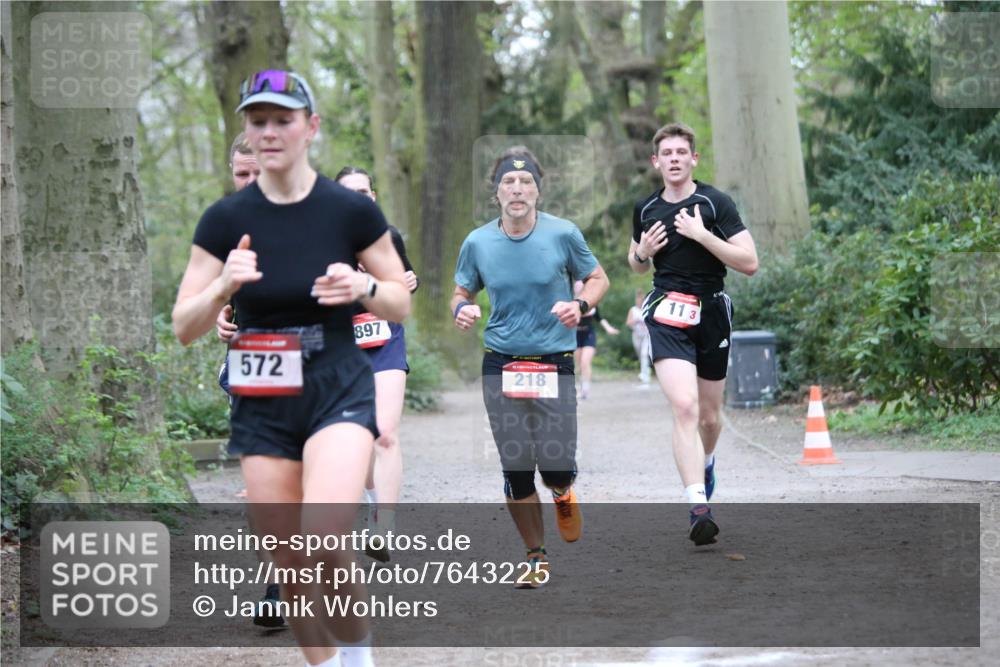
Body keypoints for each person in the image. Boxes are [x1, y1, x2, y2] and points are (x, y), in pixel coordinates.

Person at [173, 69, 410, 667]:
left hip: (336, 389)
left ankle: (359, 659)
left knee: (325, 539)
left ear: (311, 127)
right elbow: (184, 325)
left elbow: (399, 300)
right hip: (264, 398)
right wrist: (224, 285)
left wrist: (361, 284)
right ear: (247, 134)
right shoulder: (224, 220)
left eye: (283, 119)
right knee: (288, 557)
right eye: (258, 122)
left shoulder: (349, 211)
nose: (270, 132)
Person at [220, 166, 419, 565]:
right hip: (337, 345)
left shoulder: (387, 237)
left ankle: (383, 527)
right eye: (350, 192)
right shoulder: (324, 233)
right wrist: (229, 316)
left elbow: (403, 287)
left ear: (375, 195)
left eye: (365, 191)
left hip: (382, 339)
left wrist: (394, 288)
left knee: (385, 433)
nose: (359, 199)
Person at [452, 146, 609, 588]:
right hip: (501, 361)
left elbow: (599, 278)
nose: (517, 189)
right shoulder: (478, 241)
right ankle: (535, 556)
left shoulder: (563, 234)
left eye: (525, 183)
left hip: (554, 361)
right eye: (508, 182)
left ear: (538, 191)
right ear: (496, 191)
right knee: (515, 465)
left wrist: (580, 304)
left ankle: (561, 490)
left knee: (556, 464)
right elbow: (461, 292)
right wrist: (461, 309)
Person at [628, 122, 758, 546]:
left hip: (712, 310)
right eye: (667, 153)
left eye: (682, 152)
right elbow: (636, 260)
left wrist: (703, 236)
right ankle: (697, 507)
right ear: (656, 161)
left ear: (693, 158)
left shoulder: (715, 202)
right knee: (684, 406)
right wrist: (642, 253)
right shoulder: (646, 209)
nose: (674, 159)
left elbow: (749, 261)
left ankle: (707, 461)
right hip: (666, 310)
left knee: (708, 416)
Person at [572, 279, 620, 399]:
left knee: (585, 362)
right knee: (579, 365)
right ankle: (581, 385)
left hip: (589, 334)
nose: (578, 289)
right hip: (576, 335)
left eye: (580, 287)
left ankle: (585, 389)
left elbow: (600, 318)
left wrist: (608, 328)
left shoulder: (591, 302)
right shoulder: (570, 302)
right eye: (576, 287)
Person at [626, 288, 652, 387]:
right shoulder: (633, 310)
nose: (639, 302)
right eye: (638, 300)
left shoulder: (647, 309)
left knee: (644, 354)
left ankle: (645, 377)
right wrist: (635, 321)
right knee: (640, 355)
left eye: (641, 300)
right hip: (636, 336)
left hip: (646, 336)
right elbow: (628, 323)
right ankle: (646, 370)